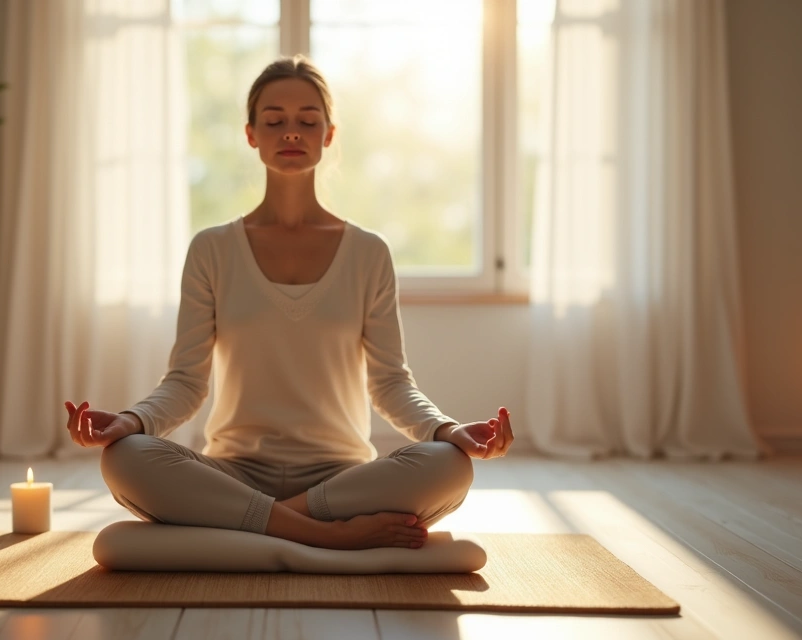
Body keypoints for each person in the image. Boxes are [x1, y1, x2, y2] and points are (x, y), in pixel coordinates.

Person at [64, 55, 514, 552]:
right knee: (125, 457)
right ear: (251, 134)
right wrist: (130, 422)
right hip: (233, 472)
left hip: (340, 479)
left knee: (449, 465)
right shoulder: (212, 249)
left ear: (329, 134)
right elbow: (186, 383)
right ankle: (324, 535)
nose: (292, 132)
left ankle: (259, 523)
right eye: (275, 120)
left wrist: (447, 429)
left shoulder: (368, 252)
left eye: (308, 120)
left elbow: (390, 383)